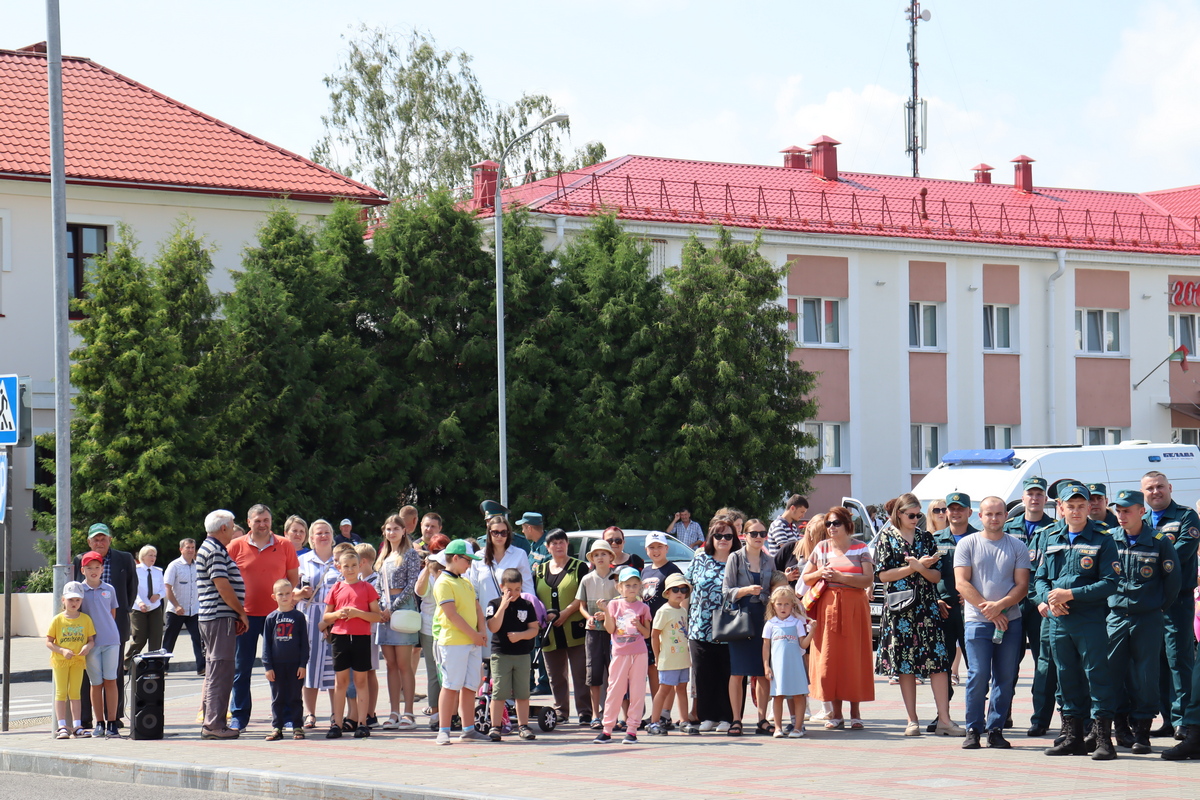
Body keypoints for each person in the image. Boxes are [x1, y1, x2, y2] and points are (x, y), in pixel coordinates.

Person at [1037, 481, 1120, 759]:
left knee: (1097, 677)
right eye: (1069, 506)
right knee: (1065, 677)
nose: (1075, 511)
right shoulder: (1050, 537)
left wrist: (1070, 594)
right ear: (1060, 508)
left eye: (1081, 506)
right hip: (1058, 621)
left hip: (1089, 620)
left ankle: (1103, 739)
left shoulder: (1103, 538)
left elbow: (1110, 582)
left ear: (1089, 507)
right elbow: (1040, 578)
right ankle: (1072, 737)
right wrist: (1050, 598)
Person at [874, 493, 962, 737]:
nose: (915, 519)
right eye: (910, 515)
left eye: (918, 515)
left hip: (927, 608)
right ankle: (912, 720)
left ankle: (944, 719)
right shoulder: (887, 538)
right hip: (900, 611)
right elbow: (883, 575)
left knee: (938, 663)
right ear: (898, 514)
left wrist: (921, 567)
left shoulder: (926, 538)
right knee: (905, 665)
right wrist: (911, 568)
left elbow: (936, 577)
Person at [1105, 489, 1179, 754]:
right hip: (1115, 617)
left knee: (1146, 675)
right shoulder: (1109, 539)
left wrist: (1156, 608)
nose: (1121, 516)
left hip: (1147, 617)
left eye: (1127, 511)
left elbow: (1172, 584)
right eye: (1118, 511)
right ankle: (1120, 726)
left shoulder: (1159, 542)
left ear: (1141, 511)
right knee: (1114, 672)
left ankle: (1142, 732)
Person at [954, 496, 1031, 750]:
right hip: (977, 622)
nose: (994, 518)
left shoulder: (1017, 546)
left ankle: (995, 728)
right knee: (978, 675)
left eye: (999, 514)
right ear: (980, 516)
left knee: (1005, 676)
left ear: (1006, 516)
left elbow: (1022, 585)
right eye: (989, 514)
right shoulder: (967, 544)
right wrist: (990, 611)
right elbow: (962, 583)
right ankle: (973, 729)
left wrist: (1001, 607)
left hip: (1011, 622)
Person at [227, 504, 300, 731]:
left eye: (266, 520)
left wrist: (283, 605)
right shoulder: (235, 546)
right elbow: (225, 580)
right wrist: (237, 611)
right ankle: (239, 716)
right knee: (241, 668)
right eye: (258, 520)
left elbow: (292, 580)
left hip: (277, 617)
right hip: (244, 616)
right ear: (249, 522)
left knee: (282, 668)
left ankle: (285, 716)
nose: (262, 524)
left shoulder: (285, 545)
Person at [802, 506, 875, 729]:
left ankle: (855, 712)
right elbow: (806, 578)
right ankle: (835, 713)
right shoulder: (821, 548)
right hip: (828, 608)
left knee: (854, 659)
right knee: (830, 660)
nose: (831, 528)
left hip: (855, 608)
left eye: (836, 523)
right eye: (828, 524)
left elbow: (867, 580)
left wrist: (841, 577)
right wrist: (820, 574)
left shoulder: (861, 547)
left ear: (847, 525)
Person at [1141, 470, 1200, 739]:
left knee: (1179, 660)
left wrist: (1145, 562)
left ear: (1170, 487)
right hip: (1149, 604)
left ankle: (1185, 721)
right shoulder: (1140, 520)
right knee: (1158, 663)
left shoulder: (1186, 516)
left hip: (1177, 600)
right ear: (1144, 492)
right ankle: (1167, 718)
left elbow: (1180, 555)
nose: (1156, 492)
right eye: (1150, 488)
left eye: (1160, 487)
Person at [1003, 476, 1059, 737]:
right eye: (1030, 494)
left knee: (1044, 664)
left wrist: (1043, 599)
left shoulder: (1055, 529)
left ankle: (1040, 719)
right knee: (1007, 662)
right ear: (1022, 498)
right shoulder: (1007, 527)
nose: (1035, 498)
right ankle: (1003, 713)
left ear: (1045, 499)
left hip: (1039, 605)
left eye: (1039, 494)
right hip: (1012, 603)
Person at [71, 523, 137, 730]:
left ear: (110, 540)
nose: (99, 543)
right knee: (88, 676)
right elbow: (75, 591)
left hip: (114, 626)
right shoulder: (80, 560)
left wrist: (123, 611)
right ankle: (85, 718)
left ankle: (114, 717)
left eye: (103, 539)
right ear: (89, 542)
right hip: (86, 627)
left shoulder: (124, 558)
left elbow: (131, 587)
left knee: (114, 673)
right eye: (95, 540)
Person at [196, 509, 249, 740]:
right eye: (233, 525)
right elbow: (223, 586)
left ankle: (212, 721)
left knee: (215, 669)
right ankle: (214, 724)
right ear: (224, 528)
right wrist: (241, 612)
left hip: (213, 617)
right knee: (221, 670)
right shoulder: (215, 551)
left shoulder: (211, 548)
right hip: (219, 617)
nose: (234, 530)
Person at [684, 517, 740, 732]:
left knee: (727, 672)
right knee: (704, 673)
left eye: (728, 536)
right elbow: (687, 586)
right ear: (711, 538)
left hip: (729, 626)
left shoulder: (738, 561)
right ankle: (707, 716)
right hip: (700, 625)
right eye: (718, 535)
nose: (723, 539)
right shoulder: (700, 559)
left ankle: (728, 717)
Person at [321, 547, 381, 739]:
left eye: (354, 565)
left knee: (361, 680)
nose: (350, 569)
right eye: (346, 566)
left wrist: (358, 614)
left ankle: (362, 722)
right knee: (341, 682)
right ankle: (336, 723)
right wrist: (338, 614)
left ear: (360, 565)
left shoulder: (367, 588)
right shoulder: (336, 588)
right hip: (340, 637)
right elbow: (327, 616)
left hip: (361, 637)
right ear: (339, 568)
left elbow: (376, 616)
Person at [532, 528, 590, 726]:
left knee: (581, 673)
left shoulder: (579, 567)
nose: (558, 546)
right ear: (547, 547)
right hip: (549, 631)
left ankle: (585, 711)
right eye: (554, 543)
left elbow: (583, 595)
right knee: (555, 675)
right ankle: (561, 711)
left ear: (567, 544)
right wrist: (543, 615)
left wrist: (565, 613)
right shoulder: (539, 570)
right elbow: (534, 599)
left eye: (561, 542)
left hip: (575, 628)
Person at [433, 539, 488, 745]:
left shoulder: (465, 581)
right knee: (450, 686)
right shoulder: (443, 582)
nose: (470, 565)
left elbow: (477, 609)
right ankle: (444, 730)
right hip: (453, 643)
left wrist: (481, 632)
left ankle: (469, 729)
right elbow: (451, 615)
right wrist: (475, 635)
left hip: (472, 642)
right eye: (467, 560)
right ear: (455, 558)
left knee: (470, 687)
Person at [723, 517, 774, 736]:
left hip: (763, 618)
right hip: (740, 619)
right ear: (744, 536)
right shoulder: (735, 558)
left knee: (763, 671)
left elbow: (774, 589)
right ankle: (736, 719)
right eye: (754, 534)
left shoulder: (769, 560)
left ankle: (762, 719)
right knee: (737, 672)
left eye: (762, 533)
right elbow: (726, 591)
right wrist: (745, 591)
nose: (759, 538)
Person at [373, 514, 422, 731]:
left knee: (404, 665)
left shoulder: (411, 555)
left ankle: (409, 713)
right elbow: (377, 586)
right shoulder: (384, 556)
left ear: (404, 531)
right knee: (390, 665)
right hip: (384, 613)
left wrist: (391, 608)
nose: (392, 532)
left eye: (396, 528)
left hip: (402, 611)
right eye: (388, 528)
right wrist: (379, 607)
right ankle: (394, 712)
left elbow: (412, 585)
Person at [594, 566, 651, 744]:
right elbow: (610, 629)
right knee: (614, 690)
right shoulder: (613, 605)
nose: (631, 588)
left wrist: (638, 625)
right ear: (619, 587)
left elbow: (647, 633)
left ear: (640, 586)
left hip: (639, 653)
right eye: (627, 585)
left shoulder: (643, 607)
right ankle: (607, 729)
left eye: (635, 585)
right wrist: (605, 612)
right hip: (619, 653)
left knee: (637, 691)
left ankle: (632, 729)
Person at [484, 568, 540, 741]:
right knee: (499, 692)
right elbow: (493, 627)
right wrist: (503, 605)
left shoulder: (527, 605)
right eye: (509, 590)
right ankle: (495, 727)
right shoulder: (493, 604)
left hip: (522, 655)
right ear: (502, 587)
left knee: (523, 692)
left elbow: (534, 629)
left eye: (518, 589)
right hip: (501, 655)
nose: (514, 593)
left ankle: (523, 726)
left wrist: (521, 636)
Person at [296, 520, 339, 729]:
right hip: (310, 617)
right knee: (310, 665)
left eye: (327, 532)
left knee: (334, 665)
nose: (323, 536)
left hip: (335, 617)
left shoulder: (340, 560)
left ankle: (335, 713)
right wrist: (299, 593)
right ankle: (310, 714)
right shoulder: (303, 561)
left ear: (332, 536)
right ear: (311, 538)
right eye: (318, 533)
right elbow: (290, 591)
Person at [934, 493, 976, 703]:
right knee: (942, 664)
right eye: (951, 508)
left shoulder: (980, 538)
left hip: (972, 609)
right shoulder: (935, 540)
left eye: (961, 508)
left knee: (976, 664)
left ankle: (978, 714)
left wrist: (974, 595)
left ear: (970, 512)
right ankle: (943, 714)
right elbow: (927, 576)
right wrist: (936, 599)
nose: (955, 512)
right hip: (944, 608)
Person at [77, 550, 122, 739]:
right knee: (96, 683)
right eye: (89, 568)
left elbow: (112, 613)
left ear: (102, 569)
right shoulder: (79, 590)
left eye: (97, 567)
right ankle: (99, 723)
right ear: (83, 570)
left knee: (111, 680)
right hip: (91, 643)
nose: (93, 571)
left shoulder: (109, 589)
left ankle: (112, 722)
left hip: (111, 640)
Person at [47, 581, 96, 740]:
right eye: (70, 600)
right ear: (63, 600)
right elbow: (49, 642)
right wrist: (62, 650)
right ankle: (62, 726)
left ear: (81, 601)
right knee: (61, 692)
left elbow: (91, 640)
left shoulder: (86, 619)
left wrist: (87, 648)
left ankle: (77, 725)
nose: (74, 603)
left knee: (75, 693)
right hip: (60, 661)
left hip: (78, 661)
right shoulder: (58, 620)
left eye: (77, 600)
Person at [578, 539, 620, 727]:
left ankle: (613, 714)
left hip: (614, 632)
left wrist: (608, 614)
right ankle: (596, 715)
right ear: (592, 559)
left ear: (611, 556)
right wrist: (588, 617)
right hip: (593, 633)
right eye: (596, 555)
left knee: (615, 675)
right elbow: (582, 605)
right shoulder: (587, 579)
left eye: (603, 553)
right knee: (593, 674)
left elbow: (623, 605)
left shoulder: (617, 579)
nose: (600, 557)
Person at [641, 531, 682, 718]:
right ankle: (656, 712)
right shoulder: (645, 571)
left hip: (667, 630)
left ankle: (665, 713)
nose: (655, 551)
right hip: (649, 628)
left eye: (659, 547)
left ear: (666, 548)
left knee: (666, 671)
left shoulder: (672, 570)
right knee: (652, 668)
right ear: (646, 550)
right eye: (652, 547)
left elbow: (681, 600)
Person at [762, 585, 811, 739]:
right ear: (773, 605)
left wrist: (813, 631)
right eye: (779, 604)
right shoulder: (770, 624)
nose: (783, 608)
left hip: (795, 666)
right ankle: (778, 727)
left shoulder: (796, 623)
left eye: (786, 604)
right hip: (778, 667)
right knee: (778, 696)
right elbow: (766, 647)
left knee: (798, 695)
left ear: (792, 605)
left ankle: (798, 727)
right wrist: (766, 666)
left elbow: (803, 645)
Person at [263, 578, 309, 741]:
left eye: (288, 593)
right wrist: (268, 666)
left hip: (295, 664)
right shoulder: (271, 618)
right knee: (278, 697)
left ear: (293, 595)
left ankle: (297, 726)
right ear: (274, 596)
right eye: (280, 594)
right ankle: (277, 727)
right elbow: (266, 644)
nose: (284, 597)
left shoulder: (298, 617)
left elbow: (304, 642)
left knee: (295, 696)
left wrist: (303, 664)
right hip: (277, 665)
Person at [649, 573, 692, 735]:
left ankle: (684, 720)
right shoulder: (663, 611)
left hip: (682, 658)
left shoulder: (682, 610)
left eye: (683, 589)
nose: (679, 592)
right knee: (664, 689)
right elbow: (654, 634)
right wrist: (657, 656)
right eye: (675, 589)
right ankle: (654, 722)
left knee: (682, 688)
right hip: (668, 659)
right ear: (667, 593)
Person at [415, 533, 450, 728]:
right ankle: (435, 713)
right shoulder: (428, 571)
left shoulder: (453, 570)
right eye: (436, 550)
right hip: (430, 627)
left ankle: (451, 712)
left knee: (449, 672)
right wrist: (428, 568)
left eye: (444, 550)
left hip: (450, 627)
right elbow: (419, 592)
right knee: (433, 672)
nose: (440, 554)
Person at [471, 515, 535, 611]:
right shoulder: (479, 557)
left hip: (513, 615)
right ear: (489, 533)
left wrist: (532, 613)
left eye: (503, 532)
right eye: (495, 532)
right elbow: (474, 591)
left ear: (508, 533)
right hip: (486, 617)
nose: (499, 536)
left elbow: (527, 587)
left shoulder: (519, 554)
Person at [162, 538, 205, 676]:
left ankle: (202, 668)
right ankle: (163, 667)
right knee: (169, 639)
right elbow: (167, 587)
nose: (191, 550)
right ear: (181, 549)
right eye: (188, 547)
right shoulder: (174, 565)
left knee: (199, 639)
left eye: (193, 547)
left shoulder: (198, 565)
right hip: (176, 611)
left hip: (194, 610)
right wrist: (176, 605)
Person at [354, 542, 383, 728]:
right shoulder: (355, 579)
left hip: (370, 631)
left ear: (363, 561)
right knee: (359, 671)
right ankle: (360, 711)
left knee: (370, 670)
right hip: (356, 631)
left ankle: (371, 713)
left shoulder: (376, 580)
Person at [125, 545, 165, 673]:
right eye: (150, 555)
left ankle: (154, 664)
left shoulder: (158, 571)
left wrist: (158, 595)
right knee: (140, 636)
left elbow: (164, 589)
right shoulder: (135, 570)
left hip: (155, 607)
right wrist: (140, 602)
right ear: (142, 557)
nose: (153, 558)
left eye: (154, 555)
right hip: (138, 608)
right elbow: (132, 589)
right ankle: (127, 662)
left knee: (156, 636)